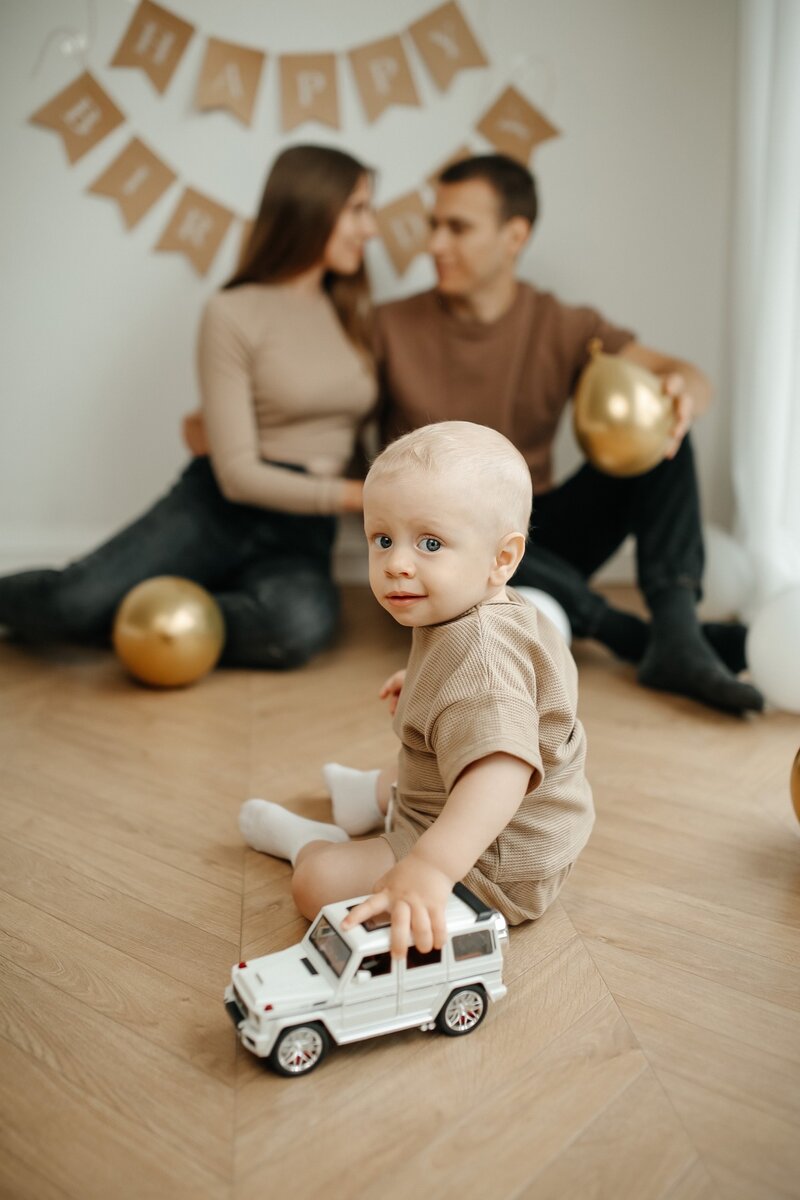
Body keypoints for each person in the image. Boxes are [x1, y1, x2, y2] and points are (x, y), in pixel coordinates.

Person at [374, 155, 763, 716]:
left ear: (515, 236)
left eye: (456, 227)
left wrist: (683, 398)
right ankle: (645, 640)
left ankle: (676, 628)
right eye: (433, 225)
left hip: (535, 536)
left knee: (661, 436)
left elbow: (689, 376)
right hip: (441, 553)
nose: (434, 244)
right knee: (471, 523)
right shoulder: (389, 326)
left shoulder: (562, 323)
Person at [0, 145, 378, 669]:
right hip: (218, 510)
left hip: (301, 528)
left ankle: (171, 608)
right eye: (358, 209)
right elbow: (238, 476)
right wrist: (365, 496)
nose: (372, 228)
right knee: (72, 603)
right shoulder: (231, 312)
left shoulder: (353, 312)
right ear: (312, 205)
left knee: (292, 630)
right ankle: (134, 602)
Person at [239, 421, 594, 956]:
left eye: (429, 543)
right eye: (382, 539)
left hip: (494, 860)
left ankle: (311, 844)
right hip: (499, 821)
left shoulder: (484, 661)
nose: (397, 563)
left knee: (316, 886)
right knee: (434, 757)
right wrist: (429, 686)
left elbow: (500, 772)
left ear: (502, 558)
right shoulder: (484, 605)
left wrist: (430, 867)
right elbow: (522, 696)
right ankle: (364, 799)